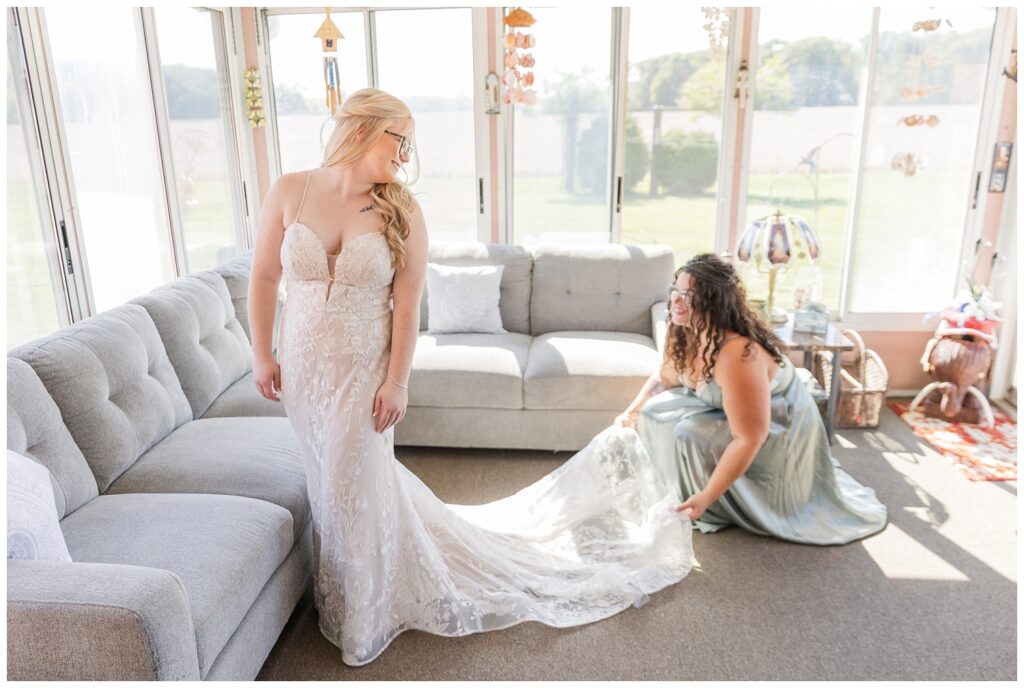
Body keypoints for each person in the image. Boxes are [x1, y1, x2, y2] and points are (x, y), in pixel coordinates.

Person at [248, 88, 694, 667]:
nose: (406, 155)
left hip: (364, 371)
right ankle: (351, 583)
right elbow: (262, 277)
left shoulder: (400, 208)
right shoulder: (290, 189)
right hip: (305, 370)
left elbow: (407, 305)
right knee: (329, 482)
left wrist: (397, 381)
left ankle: (362, 611)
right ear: (365, 130)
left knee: (351, 476)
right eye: (400, 140)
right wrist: (263, 354)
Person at [615, 253, 887, 545]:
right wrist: (630, 413)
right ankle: (678, 490)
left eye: (688, 295)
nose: (676, 301)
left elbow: (749, 437)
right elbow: (665, 377)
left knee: (688, 433)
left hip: (779, 421)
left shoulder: (737, 353)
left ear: (713, 303)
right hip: (730, 407)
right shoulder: (681, 330)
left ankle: (714, 504)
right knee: (654, 411)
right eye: (675, 291)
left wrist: (707, 497)